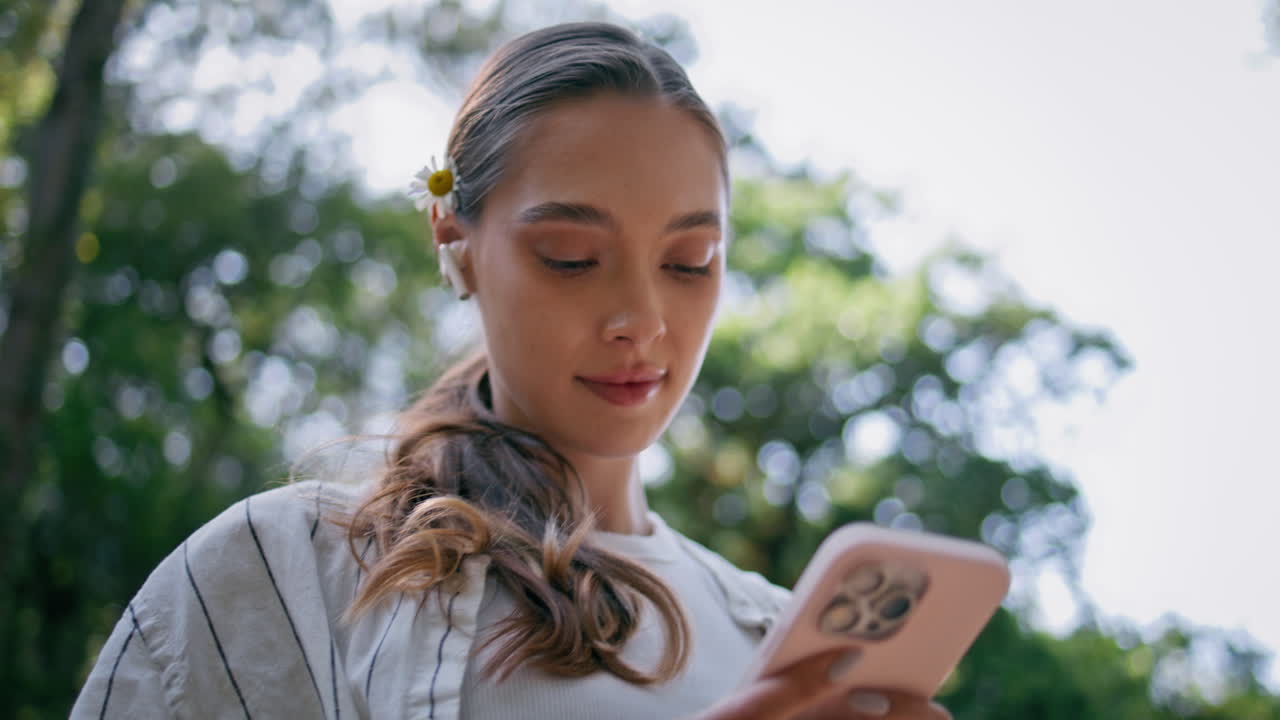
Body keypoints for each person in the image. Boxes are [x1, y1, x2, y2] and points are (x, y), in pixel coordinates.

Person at [72, 21, 950, 720]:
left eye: (690, 260)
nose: (642, 319)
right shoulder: (286, 570)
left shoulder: (774, 631)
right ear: (455, 243)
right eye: (571, 256)